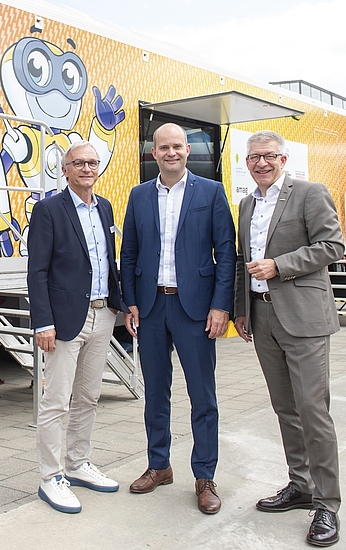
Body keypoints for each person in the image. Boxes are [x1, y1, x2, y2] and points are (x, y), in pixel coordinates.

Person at [233, 130, 345, 547]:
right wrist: (242, 309)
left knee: (313, 411)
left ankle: (327, 505)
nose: (260, 163)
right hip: (262, 318)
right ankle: (301, 486)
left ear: (283, 159)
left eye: (268, 156)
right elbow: (242, 262)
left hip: (304, 319)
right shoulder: (246, 204)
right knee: (285, 410)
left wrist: (280, 265)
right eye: (253, 157)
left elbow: (332, 245)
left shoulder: (310, 193)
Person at [119, 123, 235, 514]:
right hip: (151, 308)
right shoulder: (138, 196)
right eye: (163, 147)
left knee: (202, 395)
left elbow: (226, 254)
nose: (170, 153)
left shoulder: (211, 192)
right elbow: (129, 253)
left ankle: (204, 476)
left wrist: (221, 306)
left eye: (177, 147)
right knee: (156, 393)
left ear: (188, 151)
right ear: (154, 153)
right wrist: (130, 302)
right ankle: (159, 465)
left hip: (196, 310)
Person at [27, 140, 124, 514]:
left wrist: (120, 305)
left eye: (92, 163)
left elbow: (108, 262)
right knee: (56, 402)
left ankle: (78, 463)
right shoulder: (49, 210)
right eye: (78, 163)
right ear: (64, 170)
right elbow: (37, 271)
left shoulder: (106, 208)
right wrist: (44, 322)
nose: (86, 168)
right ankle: (50, 477)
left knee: (88, 397)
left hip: (103, 315)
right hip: (65, 320)